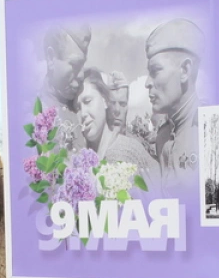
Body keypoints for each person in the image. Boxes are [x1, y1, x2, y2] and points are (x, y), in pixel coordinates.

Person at [146, 18, 204, 191]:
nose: (147, 83)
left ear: (185, 70)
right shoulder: (162, 136)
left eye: (155, 71)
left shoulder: (208, 128)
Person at [76, 68, 156, 179]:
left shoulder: (121, 153)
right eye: (77, 108)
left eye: (88, 101)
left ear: (104, 101)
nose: (83, 113)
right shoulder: (86, 153)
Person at [41, 24, 91, 149]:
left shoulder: (84, 108)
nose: (81, 75)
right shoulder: (34, 115)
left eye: (82, 65)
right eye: (74, 65)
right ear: (51, 58)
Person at [106, 71, 130, 136]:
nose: (117, 110)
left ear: (127, 108)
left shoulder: (134, 142)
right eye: (112, 103)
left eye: (122, 104)